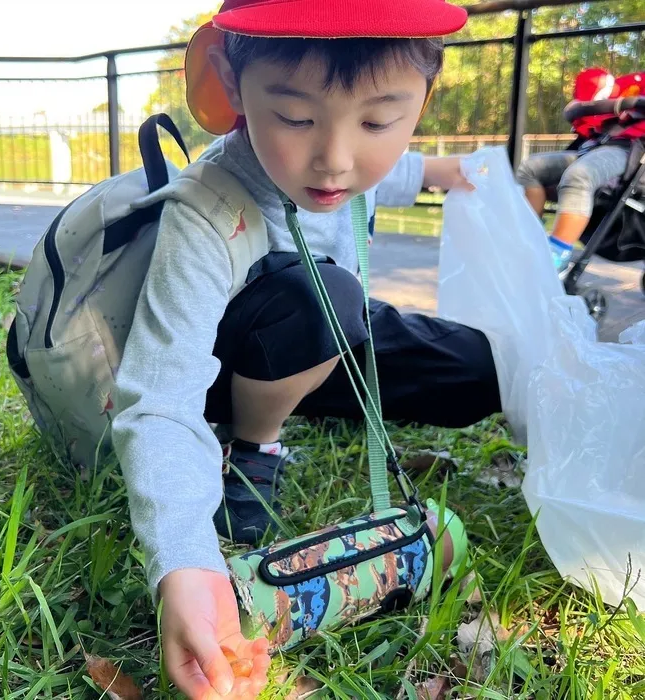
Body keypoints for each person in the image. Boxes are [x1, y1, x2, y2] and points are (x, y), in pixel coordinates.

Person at [111, 0, 501, 697]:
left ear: (424, 96)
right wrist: (187, 564)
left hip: (329, 334)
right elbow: (161, 395)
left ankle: (301, 395)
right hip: (241, 353)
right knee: (327, 300)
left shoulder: (359, 160)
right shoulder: (209, 204)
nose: (337, 161)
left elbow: (424, 172)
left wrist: (493, 182)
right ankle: (255, 445)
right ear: (233, 84)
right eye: (294, 117)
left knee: (476, 370)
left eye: (379, 120)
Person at [516, 67, 633, 273]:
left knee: (579, 175)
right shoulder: (628, 84)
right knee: (530, 168)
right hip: (598, 143)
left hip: (630, 149)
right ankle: (529, 241)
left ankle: (555, 258)